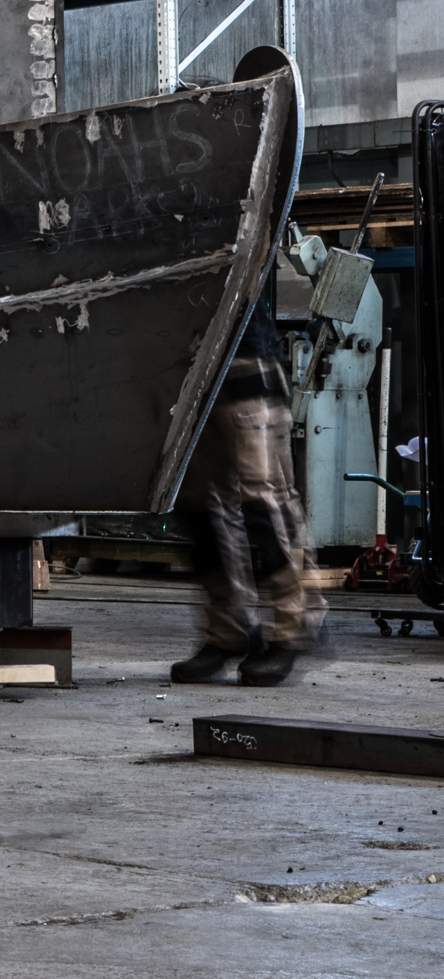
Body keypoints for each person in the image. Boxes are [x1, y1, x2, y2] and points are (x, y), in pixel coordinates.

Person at [171, 287, 319, 685]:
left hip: (245, 369)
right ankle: (228, 631)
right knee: (198, 512)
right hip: (185, 375)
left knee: (262, 507)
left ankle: (292, 628)